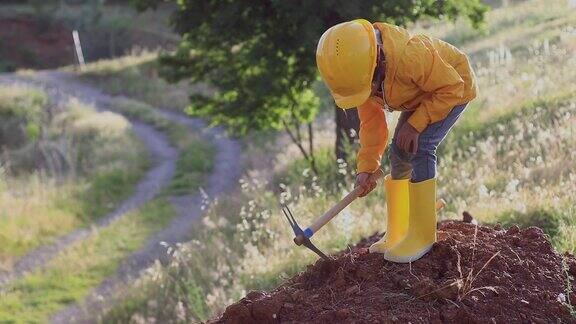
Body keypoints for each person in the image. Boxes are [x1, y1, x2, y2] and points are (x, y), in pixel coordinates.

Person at [316, 19, 477, 263]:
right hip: (422, 95)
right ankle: (400, 229)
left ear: (377, 59)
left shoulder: (409, 57)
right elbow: (372, 125)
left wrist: (415, 125)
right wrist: (367, 167)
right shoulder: (360, 74)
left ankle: (422, 234)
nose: (369, 92)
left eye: (370, 86)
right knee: (399, 153)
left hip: (451, 88)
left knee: (421, 146)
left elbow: (451, 86)